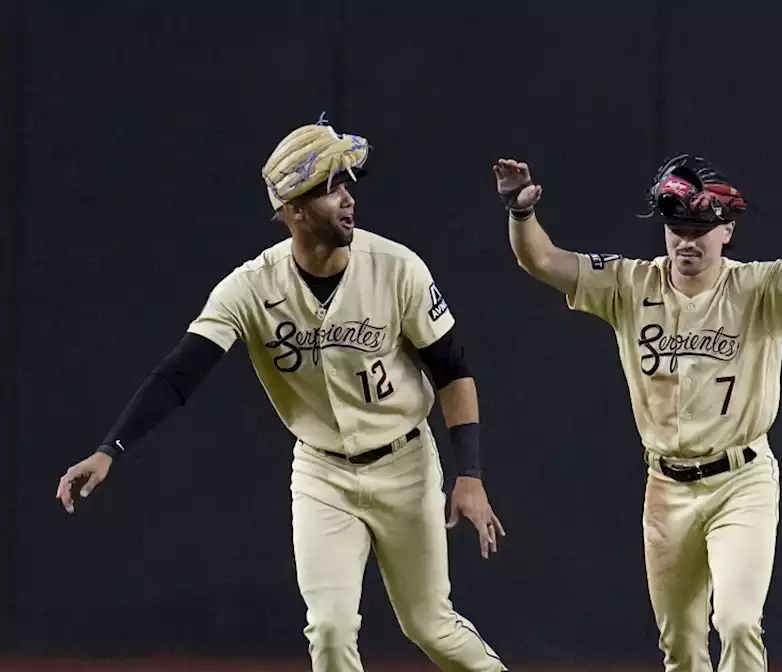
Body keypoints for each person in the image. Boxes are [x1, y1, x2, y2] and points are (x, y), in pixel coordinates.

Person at [55, 116, 509, 672]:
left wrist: (471, 475)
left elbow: (453, 371)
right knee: (331, 629)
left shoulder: (395, 267)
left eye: (347, 185)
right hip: (323, 476)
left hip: (406, 463)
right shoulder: (251, 287)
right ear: (292, 209)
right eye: (329, 189)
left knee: (428, 624)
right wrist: (109, 448)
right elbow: (180, 373)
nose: (347, 200)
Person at [496, 154, 782, 672]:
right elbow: (544, 261)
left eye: (700, 228)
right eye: (676, 227)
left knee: (736, 622)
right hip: (666, 486)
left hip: (741, 479)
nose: (687, 240)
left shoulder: (759, 287)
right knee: (681, 645)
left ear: (727, 230)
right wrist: (520, 214)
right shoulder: (629, 283)